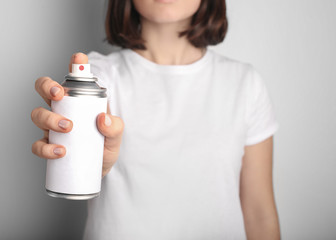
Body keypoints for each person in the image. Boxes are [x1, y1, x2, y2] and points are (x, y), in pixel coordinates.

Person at [31, 0, 281, 239]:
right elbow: (86, 145)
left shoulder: (245, 84)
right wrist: (89, 160)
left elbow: (260, 214)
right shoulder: (99, 77)